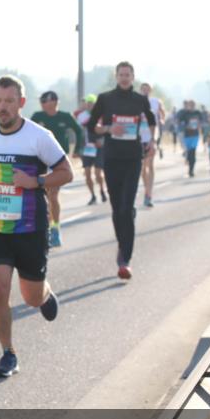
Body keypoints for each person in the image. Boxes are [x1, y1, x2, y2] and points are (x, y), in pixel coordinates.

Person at [0, 75, 72, 378]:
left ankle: (45, 294)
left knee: (30, 296)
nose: (2, 107)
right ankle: (8, 353)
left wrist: (35, 181)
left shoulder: (39, 136)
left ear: (21, 103)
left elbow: (66, 172)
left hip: (30, 228)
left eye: (9, 101)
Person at [84, 61, 156, 280]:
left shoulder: (140, 100)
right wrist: (107, 129)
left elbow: (151, 121)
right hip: (112, 157)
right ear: (116, 77)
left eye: (128, 74)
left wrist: (151, 141)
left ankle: (125, 259)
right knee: (117, 210)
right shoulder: (105, 99)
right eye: (121, 74)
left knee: (126, 206)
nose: (124, 78)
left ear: (133, 77)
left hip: (134, 157)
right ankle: (122, 243)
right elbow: (91, 126)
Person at [30, 90, 84, 246]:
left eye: (44, 101)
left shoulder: (65, 117)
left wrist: (78, 150)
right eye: (41, 101)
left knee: (53, 195)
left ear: (53, 102)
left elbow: (78, 131)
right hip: (40, 161)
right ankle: (44, 228)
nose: (42, 104)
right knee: (42, 197)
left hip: (58, 162)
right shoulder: (37, 117)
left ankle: (55, 229)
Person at [77, 95, 107, 205]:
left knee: (98, 174)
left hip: (99, 147)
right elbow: (79, 130)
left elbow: (106, 129)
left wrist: (103, 140)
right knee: (87, 173)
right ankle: (93, 195)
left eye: (92, 103)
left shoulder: (102, 115)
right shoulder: (82, 116)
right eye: (88, 103)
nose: (90, 105)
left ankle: (102, 191)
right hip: (87, 148)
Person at [139, 83, 165, 207]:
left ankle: (148, 194)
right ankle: (146, 189)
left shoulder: (155, 102)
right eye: (143, 88)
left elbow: (162, 114)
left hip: (151, 137)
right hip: (139, 138)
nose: (145, 91)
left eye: (147, 89)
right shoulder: (135, 102)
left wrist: (161, 121)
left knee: (149, 165)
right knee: (142, 168)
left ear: (151, 90)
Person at [175, 100, 203, 177]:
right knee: (189, 151)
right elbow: (179, 122)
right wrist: (186, 126)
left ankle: (191, 170)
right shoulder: (184, 113)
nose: (191, 106)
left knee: (193, 152)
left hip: (195, 135)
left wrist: (199, 126)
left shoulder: (197, 113)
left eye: (193, 105)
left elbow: (201, 121)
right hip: (187, 135)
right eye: (190, 105)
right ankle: (189, 163)